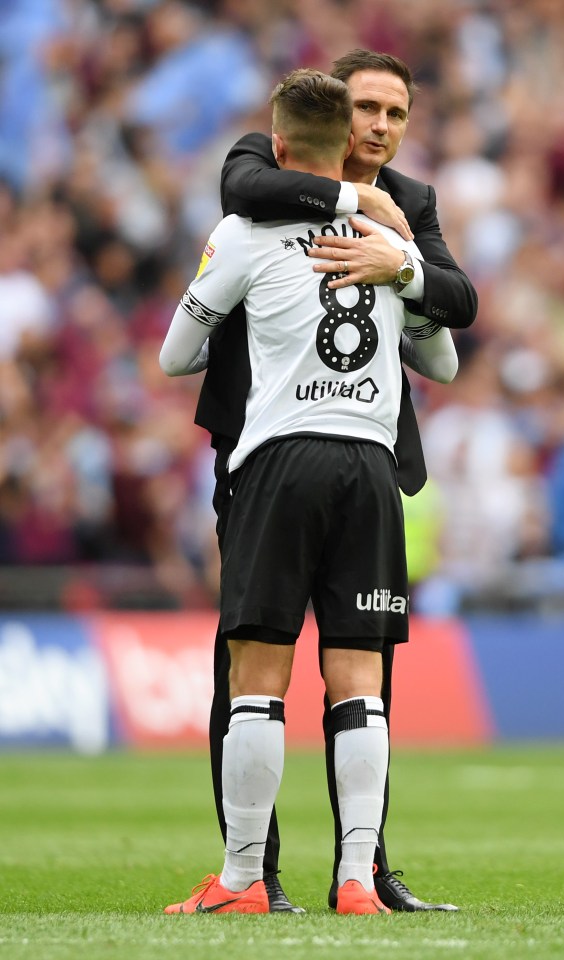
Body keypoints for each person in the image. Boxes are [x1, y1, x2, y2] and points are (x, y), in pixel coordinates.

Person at [159, 67, 458, 916]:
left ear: (285, 147)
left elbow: (174, 357)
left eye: (397, 111)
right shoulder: (391, 243)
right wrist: (400, 275)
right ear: (348, 135)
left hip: (279, 458)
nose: (384, 125)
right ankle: (357, 882)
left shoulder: (246, 229)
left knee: (256, 675)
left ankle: (245, 881)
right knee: (359, 678)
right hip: (369, 465)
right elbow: (443, 358)